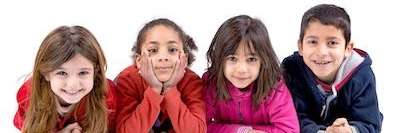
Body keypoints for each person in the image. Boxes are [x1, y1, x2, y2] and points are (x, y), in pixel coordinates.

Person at [282, 4, 383, 133]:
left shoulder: (361, 75)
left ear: (348, 48)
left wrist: (351, 130)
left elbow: (370, 123)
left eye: (332, 43)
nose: (322, 52)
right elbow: (292, 118)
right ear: (301, 46)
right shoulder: (292, 69)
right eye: (313, 42)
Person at [203, 15, 299, 133]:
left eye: (251, 59)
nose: (242, 69)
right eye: (233, 58)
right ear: (219, 59)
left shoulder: (274, 87)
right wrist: (241, 131)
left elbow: (290, 130)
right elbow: (200, 126)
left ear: (263, 60)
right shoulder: (212, 83)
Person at [13, 26, 117, 133]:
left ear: (95, 72)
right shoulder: (28, 96)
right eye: (62, 73)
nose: (73, 85)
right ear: (46, 73)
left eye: (83, 73)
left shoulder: (107, 96)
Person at [114, 18, 206, 133]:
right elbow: (125, 131)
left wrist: (170, 89)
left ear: (184, 59)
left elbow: (197, 131)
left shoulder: (191, 82)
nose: (163, 57)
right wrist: (154, 90)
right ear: (139, 60)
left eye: (172, 49)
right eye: (153, 50)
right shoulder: (128, 80)